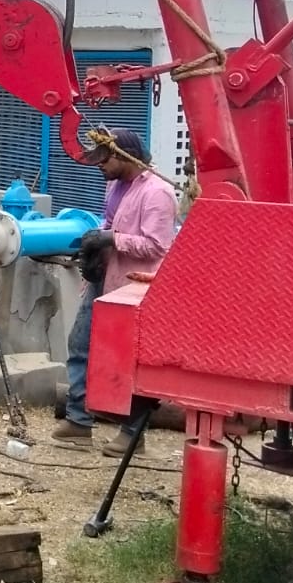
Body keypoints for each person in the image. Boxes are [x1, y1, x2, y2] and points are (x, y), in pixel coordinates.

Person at [53, 127, 177, 453]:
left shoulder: (158, 193)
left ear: (124, 157)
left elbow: (156, 245)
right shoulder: (114, 185)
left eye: (105, 160)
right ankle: (79, 420)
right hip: (106, 279)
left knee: (130, 359)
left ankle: (133, 433)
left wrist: (111, 240)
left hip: (135, 287)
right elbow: (110, 222)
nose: (99, 166)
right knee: (80, 343)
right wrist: (96, 245)